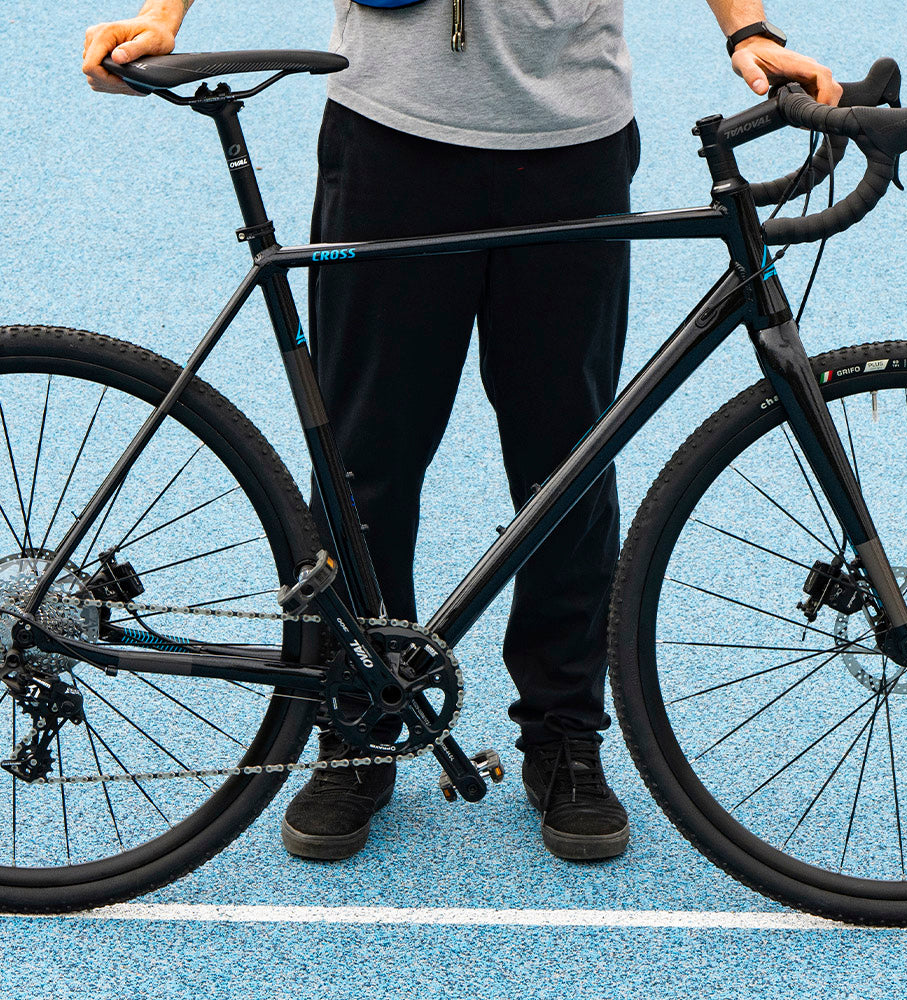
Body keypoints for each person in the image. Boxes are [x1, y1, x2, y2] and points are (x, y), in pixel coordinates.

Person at [83, 0, 840, 864]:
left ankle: (564, 735)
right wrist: (159, 12)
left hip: (571, 141)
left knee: (569, 467)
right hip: (389, 137)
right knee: (362, 462)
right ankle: (356, 723)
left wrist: (749, 31)